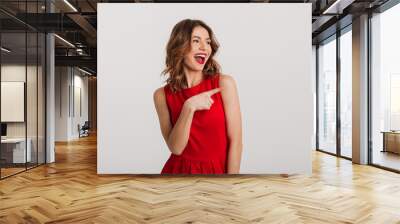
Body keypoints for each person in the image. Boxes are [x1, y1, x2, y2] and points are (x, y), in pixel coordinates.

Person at [153, 19, 242, 174]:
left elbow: (236, 142)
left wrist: (231, 183)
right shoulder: (161, 95)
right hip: (177, 174)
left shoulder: (224, 84)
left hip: (217, 173)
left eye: (207, 42)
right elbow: (176, 148)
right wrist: (189, 107)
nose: (204, 47)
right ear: (179, 46)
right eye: (196, 41)